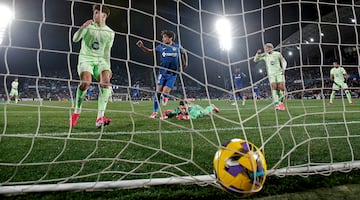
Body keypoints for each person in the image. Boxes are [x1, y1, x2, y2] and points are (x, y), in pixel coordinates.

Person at [70, 4, 115, 128]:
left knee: (106, 82)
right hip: (86, 58)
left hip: (101, 60)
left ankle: (100, 117)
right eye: (94, 13)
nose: (94, 15)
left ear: (104, 16)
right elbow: (75, 39)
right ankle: (77, 111)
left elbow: (107, 52)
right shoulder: (89, 27)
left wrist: (108, 67)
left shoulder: (110, 33)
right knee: (86, 83)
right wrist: (83, 27)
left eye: (97, 13)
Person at [136, 30, 188, 118]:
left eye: (164, 37)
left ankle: (165, 96)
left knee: (165, 92)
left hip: (172, 73)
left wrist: (185, 63)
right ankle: (155, 112)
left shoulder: (177, 47)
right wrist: (142, 47)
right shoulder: (161, 47)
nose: (163, 39)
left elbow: (184, 52)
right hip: (162, 73)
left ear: (170, 38)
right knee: (158, 92)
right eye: (163, 37)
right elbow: (149, 51)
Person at [254, 43, 287, 110]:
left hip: (279, 72)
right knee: (274, 88)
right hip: (271, 74)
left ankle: (281, 103)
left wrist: (284, 68)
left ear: (272, 48)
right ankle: (276, 104)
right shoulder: (265, 55)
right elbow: (255, 60)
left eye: (268, 48)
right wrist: (257, 54)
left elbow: (283, 61)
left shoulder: (277, 54)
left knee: (282, 87)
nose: (267, 49)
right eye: (266, 48)